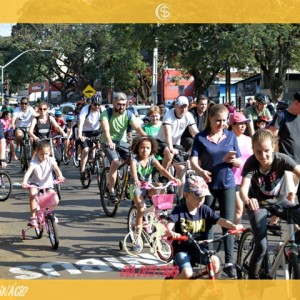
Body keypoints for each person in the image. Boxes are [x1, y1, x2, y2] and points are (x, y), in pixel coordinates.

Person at [240, 129, 300, 279]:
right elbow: (243, 189)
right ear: (253, 150)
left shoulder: (281, 160)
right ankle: (253, 281)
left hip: (280, 202)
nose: (263, 156)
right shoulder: (251, 163)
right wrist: (247, 199)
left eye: (267, 151)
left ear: (273, 147)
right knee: (261, 246)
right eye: (258, 152)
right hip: (257, 205)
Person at [190, 103, 241, 278]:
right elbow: (193, 161)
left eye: (224, 120)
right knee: (208, 223)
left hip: (227, 184)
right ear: (209, 119)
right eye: (217, 120)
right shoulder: (200, 137)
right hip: (207, 185)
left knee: (228, 224)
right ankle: (209, 258)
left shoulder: (230, 136)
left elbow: (239, 162)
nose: (221, 124)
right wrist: (200, 171)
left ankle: (229, 262)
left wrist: (232, 161)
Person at [167, 175, 243, 279]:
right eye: (197, 197)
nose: (201, 200)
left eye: (203, 197)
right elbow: (169, 224)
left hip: (200, 248)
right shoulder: (179, 210)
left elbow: (220, 220)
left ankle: (207, 288)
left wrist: (233, 226)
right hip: (182, 249)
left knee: (216, 263)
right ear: (186, 195)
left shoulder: (204, 209)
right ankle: (172, 284)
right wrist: (171, 232)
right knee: (187, 273)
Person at [130, 136, 181, 250]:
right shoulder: (134, 160)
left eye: (148, 148)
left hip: (148, 186)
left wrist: (172, 178)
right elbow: (133, 171)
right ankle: (137, 238)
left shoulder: (152, 159)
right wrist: (136, 180)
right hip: (136, 187)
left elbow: (162, 169)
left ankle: (157, 208)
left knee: (161, 186)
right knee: (141, 208)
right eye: (142, 147)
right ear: (137, 149)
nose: (145, 150)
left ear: (151, 149)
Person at [100, 92, 147, 204]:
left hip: (122, 142)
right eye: (119, 104)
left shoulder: (129, 114)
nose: (121, 107)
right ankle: (111, 190)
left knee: (134, 161)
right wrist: (110, 142)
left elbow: (138, 129)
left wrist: (147, 139)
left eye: (123, 104)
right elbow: (106, 130)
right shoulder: (107, 113)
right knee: (115, 162)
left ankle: (128, 187)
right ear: (114, 103)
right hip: (107, 141)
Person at [21, 141, 65, 227]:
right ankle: (33, 217)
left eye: (46, 154)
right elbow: (28, 173)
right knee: (32, 193)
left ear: (49, 153)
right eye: (41, 154)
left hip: (47, 184)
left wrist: (60, 176)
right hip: (36, 183)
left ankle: (47, 210)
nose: (44, 156)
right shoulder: (35, 161)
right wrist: (24, 182)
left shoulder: (51, 160)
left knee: (55, 199)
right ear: (37, 152)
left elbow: (56, 169)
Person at [269, 91, 300, 206]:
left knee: (290, 195)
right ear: (296, 103)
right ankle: (295, 223)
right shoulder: (281, 115)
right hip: (285, 162)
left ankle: (273, 222)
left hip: (298, 162)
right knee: (290, 193)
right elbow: (272, 138)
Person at [229, 112, 253, 239]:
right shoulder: (227, 138)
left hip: (247, 178)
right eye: (239, 124)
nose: (243, 126)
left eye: (244, 123)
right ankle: (237, 237)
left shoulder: (249, 140)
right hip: (233, 178)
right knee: (238, 208)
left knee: (242, 209)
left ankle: (234, 231)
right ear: (232, 125)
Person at [77, 96, 102, 180]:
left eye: (99, 105)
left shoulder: (102, 111)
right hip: (85, 132)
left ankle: (95, 158)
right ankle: (83, 170)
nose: (97, 107)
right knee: (86, 150)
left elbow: (106, 123)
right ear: (91, 103)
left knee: (101, 148)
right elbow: (80, 123)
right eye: (95, 105)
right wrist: (80, 135)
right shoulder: (85, 110)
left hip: (96, 131)